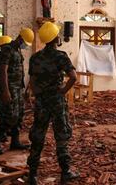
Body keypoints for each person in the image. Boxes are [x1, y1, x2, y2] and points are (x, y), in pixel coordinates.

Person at [27, 22, 78, 184]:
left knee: (38, 136)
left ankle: (33, 174)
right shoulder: (60, 56)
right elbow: (74, 77)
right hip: (56, 101)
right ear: (55, 38)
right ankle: (65, 172)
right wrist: (62, 92)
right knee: (61, 136)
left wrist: (37, 95)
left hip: (41, 102)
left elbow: (32, 81)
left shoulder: (35, 58)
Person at [0, 29, 34, 154]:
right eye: (25, 42)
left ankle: (15, 142)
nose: (25, 45)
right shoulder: (7, 50)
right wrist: (5, 91)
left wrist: (23, 89)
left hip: (17, 89)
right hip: (9, 89)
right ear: (20, 38)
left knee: (19, 116)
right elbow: (3, 71)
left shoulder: (17, 50)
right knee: (9, 116)